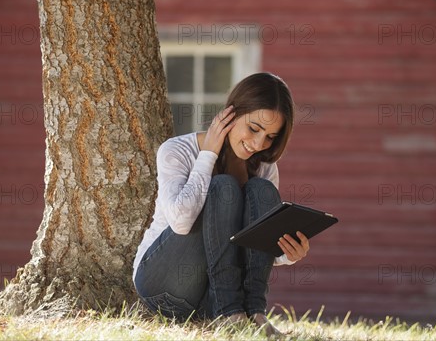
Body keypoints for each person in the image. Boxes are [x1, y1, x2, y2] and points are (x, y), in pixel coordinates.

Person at [133, 72, 310, 335]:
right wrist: (209, 154)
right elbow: (181, 224)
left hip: (212, 301)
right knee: (224, 187)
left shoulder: (264, 168)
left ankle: (253, 314)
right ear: (231, 114)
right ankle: (230, 313)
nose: (258, 143)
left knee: (261, 191)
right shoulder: (177, 151)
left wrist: (286, 254)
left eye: (270, 136)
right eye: (254, 129)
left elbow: (247, 245)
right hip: (165, 285)